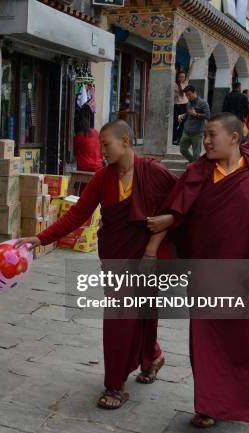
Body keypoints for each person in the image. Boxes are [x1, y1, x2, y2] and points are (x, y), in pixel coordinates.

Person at [148, 113, 249, 428]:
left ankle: (248, 384)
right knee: (206, 341)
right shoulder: (198, 172)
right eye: (204, 135)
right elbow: (180, 209)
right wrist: (164, 227)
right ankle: (207, 404)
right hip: (207, 274)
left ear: (234, 137)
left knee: (247, 340)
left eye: (211, 135)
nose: (205, 141)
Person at [16, 120, 177, 410]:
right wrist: (40, 238)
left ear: (125, 142)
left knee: (145, 312)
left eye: (106, 144)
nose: (101, 151)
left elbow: (182, 205)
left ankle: (152, 355)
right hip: (116, 256)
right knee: (118, 319)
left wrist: (169, 221)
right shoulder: (102, 178)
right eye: (101, 145)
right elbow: (76, 215)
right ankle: (115, 384)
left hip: (149, 257)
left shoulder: (153, 172)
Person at [178, 86, 210, 162]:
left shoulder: (203, 103)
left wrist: (196, 114)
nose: (188, 97)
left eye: (189, 94)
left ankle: (194, 166)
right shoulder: (189, 103)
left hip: (197, 132)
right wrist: (183, 115)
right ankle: (194, 163)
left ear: (194, 92)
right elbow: (189, 113)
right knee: (182, 149)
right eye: (186, 95)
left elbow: (208, 116)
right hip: (186, 131)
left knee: (196, 153)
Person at [73, 105, 104, 172]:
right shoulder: (96, 133)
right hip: (99, 166)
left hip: (84, 167)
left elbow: (74, 153)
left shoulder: (79, 136)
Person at [173, 60, 195, 145]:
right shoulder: (174, 85)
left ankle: (178, 139)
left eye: (183, 77)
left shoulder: (185, 83)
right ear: (177, 77)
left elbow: (189, 74)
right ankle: (174, 139)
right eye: (180, 77)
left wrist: (193, 63)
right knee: (175, 123)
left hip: (185, 105)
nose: (182, 78)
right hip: (177, 106)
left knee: (183, 124)